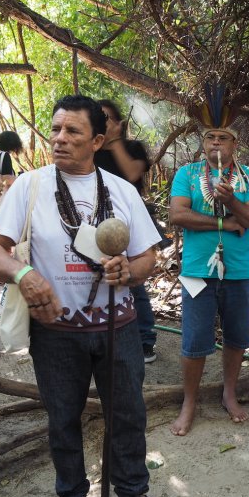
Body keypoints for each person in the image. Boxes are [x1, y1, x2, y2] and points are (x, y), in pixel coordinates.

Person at [0, 94, 173, 497]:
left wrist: (130, 271)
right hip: (56, 330)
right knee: (63, 417)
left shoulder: (121, 190)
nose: (59, 139)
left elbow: (148, 257)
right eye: (55, 130)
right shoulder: (29, 187)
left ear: (97, 140)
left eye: (72, 131)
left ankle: (132, 493)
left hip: (118, 326)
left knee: (128, 414)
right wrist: (24, 275)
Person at [168, 118, 249, 436]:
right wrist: (225, 222)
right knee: (194, 339)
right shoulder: (187, 174)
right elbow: (177, 214)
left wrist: (232, 201)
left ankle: (229, 394)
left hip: (239, 271)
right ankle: (190, 402)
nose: (216, 143)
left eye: (223, 138)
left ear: (234, 144)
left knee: (236, 336)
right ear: (203, 142)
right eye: (210, 137)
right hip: (197, 270)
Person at [95, 99, 167, 363]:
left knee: (134, 280)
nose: (101, 122)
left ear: (118, 122)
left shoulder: (133, 148)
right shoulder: (90, 152)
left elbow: (132, 174)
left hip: (128, 222)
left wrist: (115, 142)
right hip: (95, 222)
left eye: (106, 117)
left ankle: (145, 339)